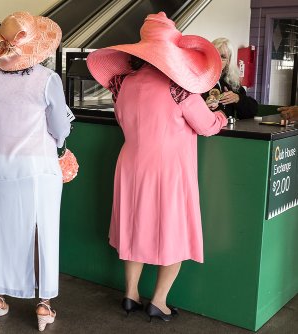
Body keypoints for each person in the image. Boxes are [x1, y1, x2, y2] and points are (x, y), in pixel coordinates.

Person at [86, 12, 227, 322]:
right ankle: (158, 301)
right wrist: (220, 117)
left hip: (131, 163)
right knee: (173, 232)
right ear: (172, 52)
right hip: (168, 169)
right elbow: (206, 127)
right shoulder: (180, 88)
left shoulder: (121, 83)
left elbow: (124, 120)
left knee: (134, 229)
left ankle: (131, 294)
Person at [0, 12, 71, 332]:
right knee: (42, 232)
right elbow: (59, 127)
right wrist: (59, 140)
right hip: (37, 167)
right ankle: (44, 305)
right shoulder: (47, 80)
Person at [202, 37, 258, 119]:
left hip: (226, 130)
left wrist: (238, 99)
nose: (218, 59)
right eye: (215, 54)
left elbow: (253, 110)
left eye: (223, 57)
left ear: (228, 61)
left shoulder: (231, 82)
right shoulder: (197, 80)